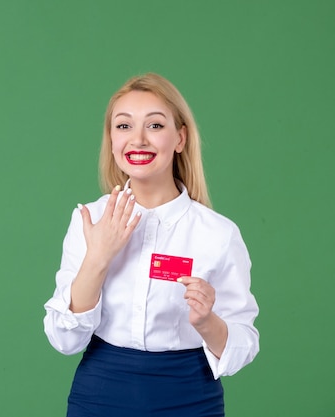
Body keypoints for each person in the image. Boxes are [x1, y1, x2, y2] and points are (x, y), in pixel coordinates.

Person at [43, 73, 259, 416]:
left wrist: (207, 322)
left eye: (155, 126)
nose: (138, 140)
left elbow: (244, 344)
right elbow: (65, 341)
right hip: (100, 394)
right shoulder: (89, 220)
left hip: (190, 397)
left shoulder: (219, 234)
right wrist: (98, 257)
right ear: (111, 139)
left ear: (180, 138)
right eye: (123, 126)